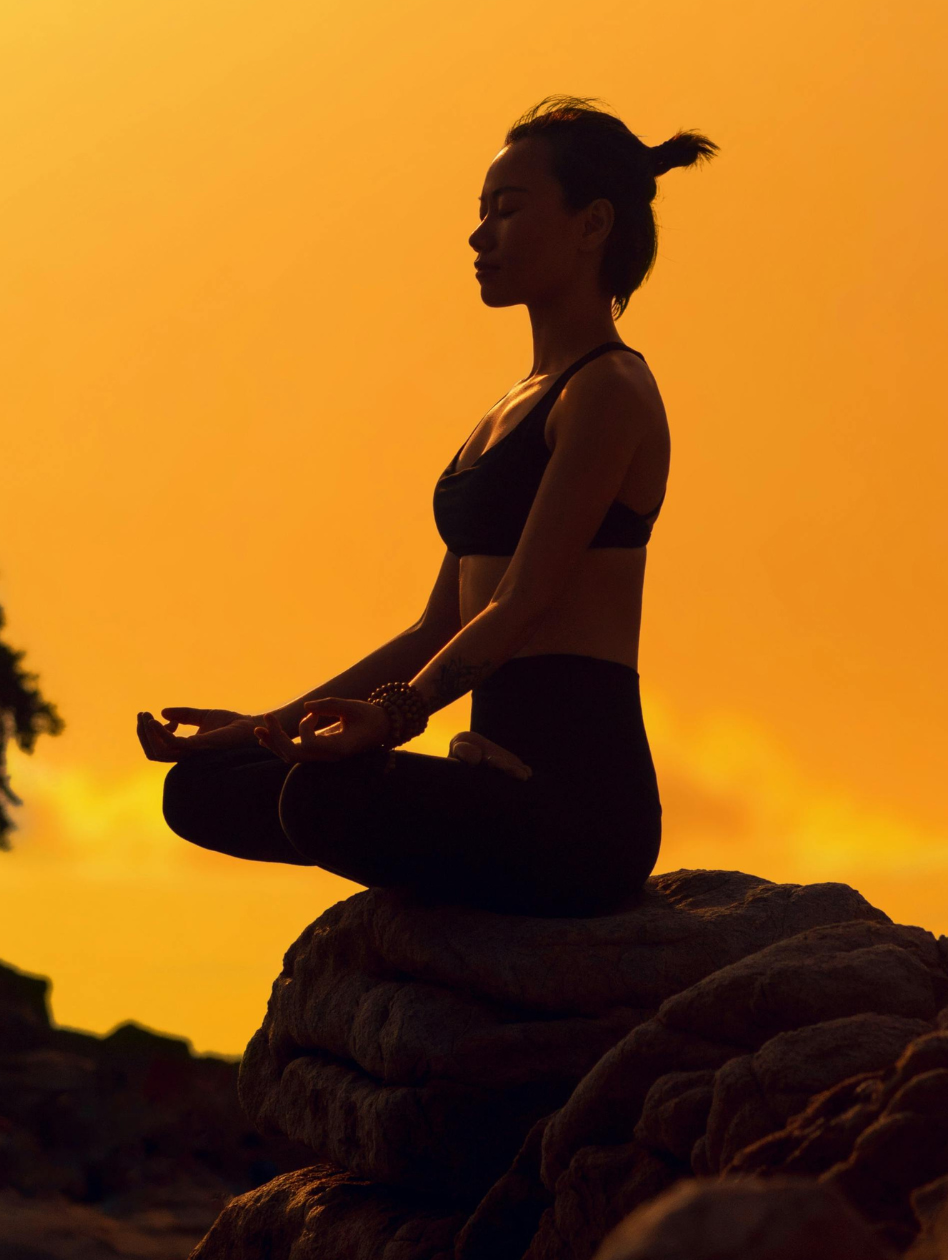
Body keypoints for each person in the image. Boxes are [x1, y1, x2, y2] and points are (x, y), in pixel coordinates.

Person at [136, 97, 716, 917]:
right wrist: (264, 726)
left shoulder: (611, 390)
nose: (481, 237)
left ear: (592, 225)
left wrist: (393, 719)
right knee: (204, 788)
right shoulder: (510, 407)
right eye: (480, 214)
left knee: (319, 801)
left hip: (576, 803)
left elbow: (523, 600)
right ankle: (451, 835)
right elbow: (432, 628)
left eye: (508, 212)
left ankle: (474, 868)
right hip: (481, 771)